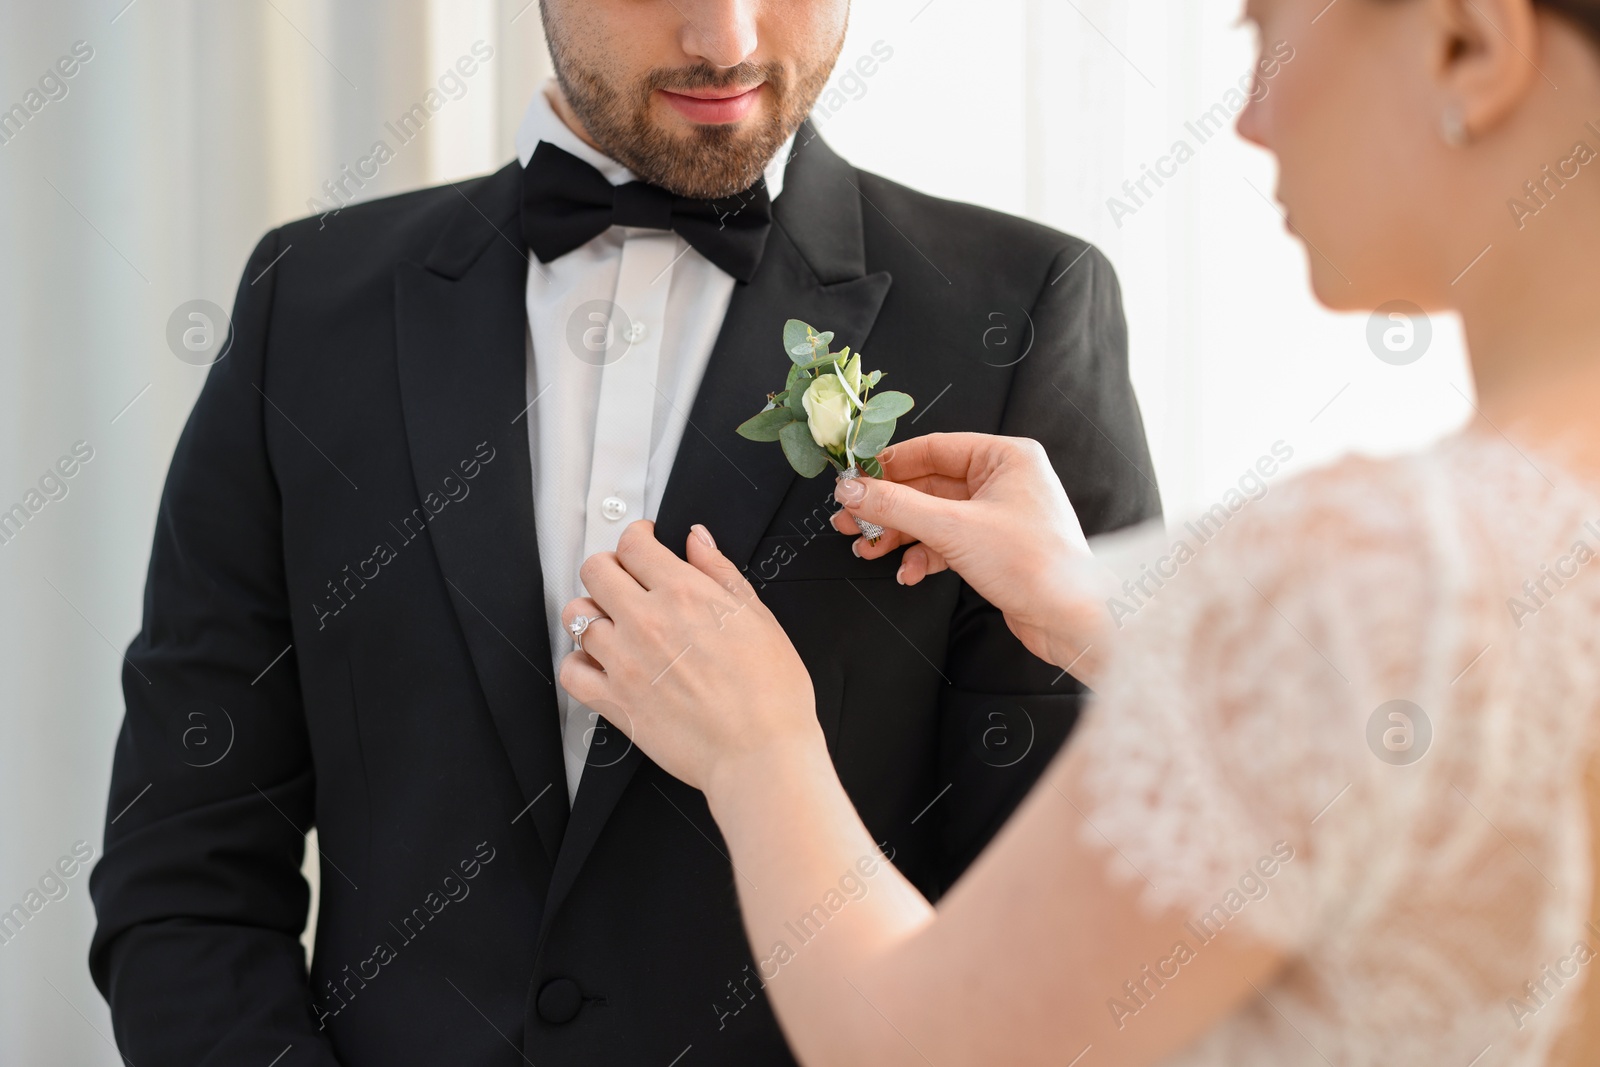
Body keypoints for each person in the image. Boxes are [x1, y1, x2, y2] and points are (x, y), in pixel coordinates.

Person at [87, 1, 1159, 1064]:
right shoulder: (308, 306)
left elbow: (1073, 929)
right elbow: (185, 870)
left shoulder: (1021, 314)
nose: (727, 40)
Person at [556, 0, 1600, 1062]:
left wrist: (758, 747)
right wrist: (1105, 613)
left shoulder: (1369, 565)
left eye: (1264, 32)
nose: (1250, 119)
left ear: (1471, 44)